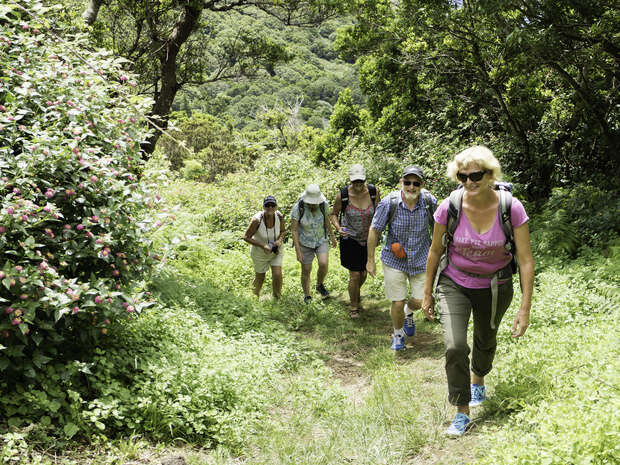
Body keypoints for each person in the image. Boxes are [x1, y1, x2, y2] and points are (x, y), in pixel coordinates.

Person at [421, 146, 534, 436]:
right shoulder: (450, 206)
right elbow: (434, 251)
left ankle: (478, 378)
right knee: (455, 346)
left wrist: (525, 308)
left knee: (486, 338)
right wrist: (427, 293)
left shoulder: (511, 208)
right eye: (462, 176)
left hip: (496, 285)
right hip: (454, 282)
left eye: (476, 175)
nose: (469, 182)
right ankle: (461, 410)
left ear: (490, 174)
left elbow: (524, 259)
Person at [366, 166, 437, 350]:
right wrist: (370, 260)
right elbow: (374, 230)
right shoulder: (389, 202)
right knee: (397, 301)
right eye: (407, 182)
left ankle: (408, 313)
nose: (411, 187)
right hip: (394, 259)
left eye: (415, 183)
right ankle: (398, 335)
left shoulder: (429, 202)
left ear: (422, 184)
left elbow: (438, 228)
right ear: (401, 183)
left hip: (421, 258)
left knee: (420, 300)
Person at [330, 164, 381, 318]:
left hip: (368, 239)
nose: (358, 184)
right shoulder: (343, 195)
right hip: (350, 238)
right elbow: (333, 214)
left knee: (364, 273)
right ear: (350, 180)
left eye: (361, 181)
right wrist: (338, 228)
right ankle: (354, 306)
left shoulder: (373, 192)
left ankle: (354, 293)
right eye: (355, 181)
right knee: (355, 275)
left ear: (365, 179)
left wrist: (379, 231)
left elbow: (379, 212)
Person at [291, 184, 337, 303]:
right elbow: (294, 230)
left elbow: (327, 220)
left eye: (315, 202)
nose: (313, 204)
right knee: (306, 269)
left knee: (323, 263)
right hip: (304, 242)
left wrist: (332, 237)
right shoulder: (298, 208)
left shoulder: (323, 205)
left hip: (321, 239)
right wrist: (298, 251)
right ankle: (307, 295)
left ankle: (319, 285)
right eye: (311, 202)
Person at [243, 195, 285, 299]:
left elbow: (283, 231)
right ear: (263, 207)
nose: (270, 207)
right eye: (267, 205)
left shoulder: (279, 216)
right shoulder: (257, 220)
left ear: (276, 206)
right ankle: (254, 297)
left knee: (277, 274)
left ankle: (277, 298)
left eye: (273, 205)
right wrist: (263, 245)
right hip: (259, 253)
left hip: (275, 251)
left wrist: (279, 240)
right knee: (260, 277)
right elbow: (246, 237)